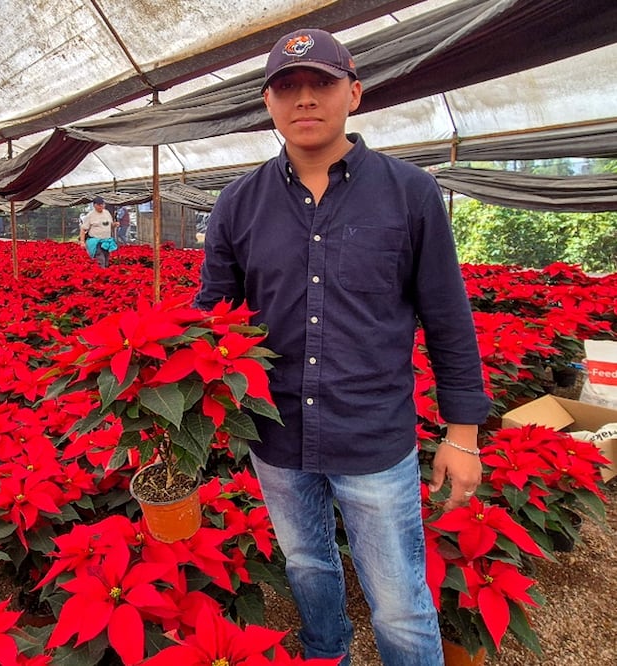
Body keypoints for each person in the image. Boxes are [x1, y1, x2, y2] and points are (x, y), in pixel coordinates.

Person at [193, 29, 489, 666]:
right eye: (287, 88)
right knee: (305, 564)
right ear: (268, 104)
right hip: (276, 434)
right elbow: (212, 319)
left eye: (321, 84)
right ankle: (326, 652)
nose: (305, 100)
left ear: (353, 93)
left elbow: (447, 315)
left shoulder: (409, 193)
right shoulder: (238, 204)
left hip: (374, 433)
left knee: (400, 599)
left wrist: (462, 434)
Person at [78, 196, 117, 268]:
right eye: (99, 205)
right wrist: (82, 242)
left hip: (106, 241)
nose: (101, 206)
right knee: (100, 259)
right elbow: (83, 229)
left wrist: (114, 225)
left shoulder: (107, 213)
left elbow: (110, 225)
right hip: (96, 242)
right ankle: (102, 273)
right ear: (94, 205)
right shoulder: (90, 215)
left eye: (102, 204)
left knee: (106, 259)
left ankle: (105, 274)